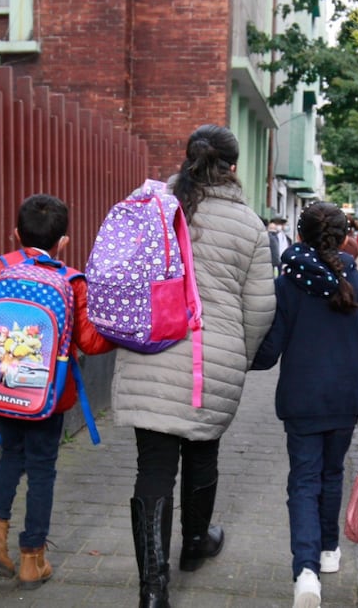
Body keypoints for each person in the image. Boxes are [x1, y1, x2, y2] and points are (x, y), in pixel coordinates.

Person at [111, 125, 276, 608]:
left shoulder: (155, 208)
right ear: (232, 167)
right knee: (202, 452)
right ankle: (196, 545)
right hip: (212, 358)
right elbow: (261, 308)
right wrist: (237, 356)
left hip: (150, 351)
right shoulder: (248, 225)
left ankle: (152, 589)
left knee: (154, 466)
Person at [0, 194, 116, 588]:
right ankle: (32, 559)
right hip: (48, 397)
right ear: (63, 241)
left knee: (12, 455)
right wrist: (117, 331)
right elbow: (91, 342)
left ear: (15, 234)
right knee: (42, 468)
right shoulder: (71, 280)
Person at [251, 202, 358, 608]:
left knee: (304, 480)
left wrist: (236, 352)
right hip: (347, 401)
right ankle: (329, 552)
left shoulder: (288, 284)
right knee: (332, 475)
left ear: (299, 237)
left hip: (301, 400)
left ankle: (306, 572)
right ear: (347, 237)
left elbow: (269, 352)